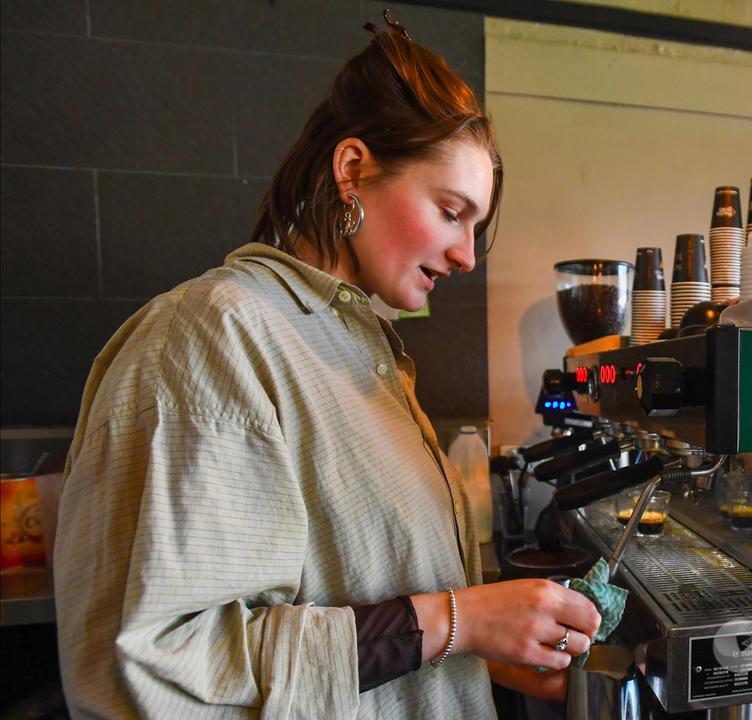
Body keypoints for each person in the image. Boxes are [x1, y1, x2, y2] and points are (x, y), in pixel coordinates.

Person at [53, 14, 600, 719]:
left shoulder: (361, 351)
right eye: (450, 211)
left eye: (475, 226)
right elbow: (162, 663)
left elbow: (367, 610)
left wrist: (478, 657)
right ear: (352, 171)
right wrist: (457, 621)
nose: (467, 254)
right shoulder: (213, 335)